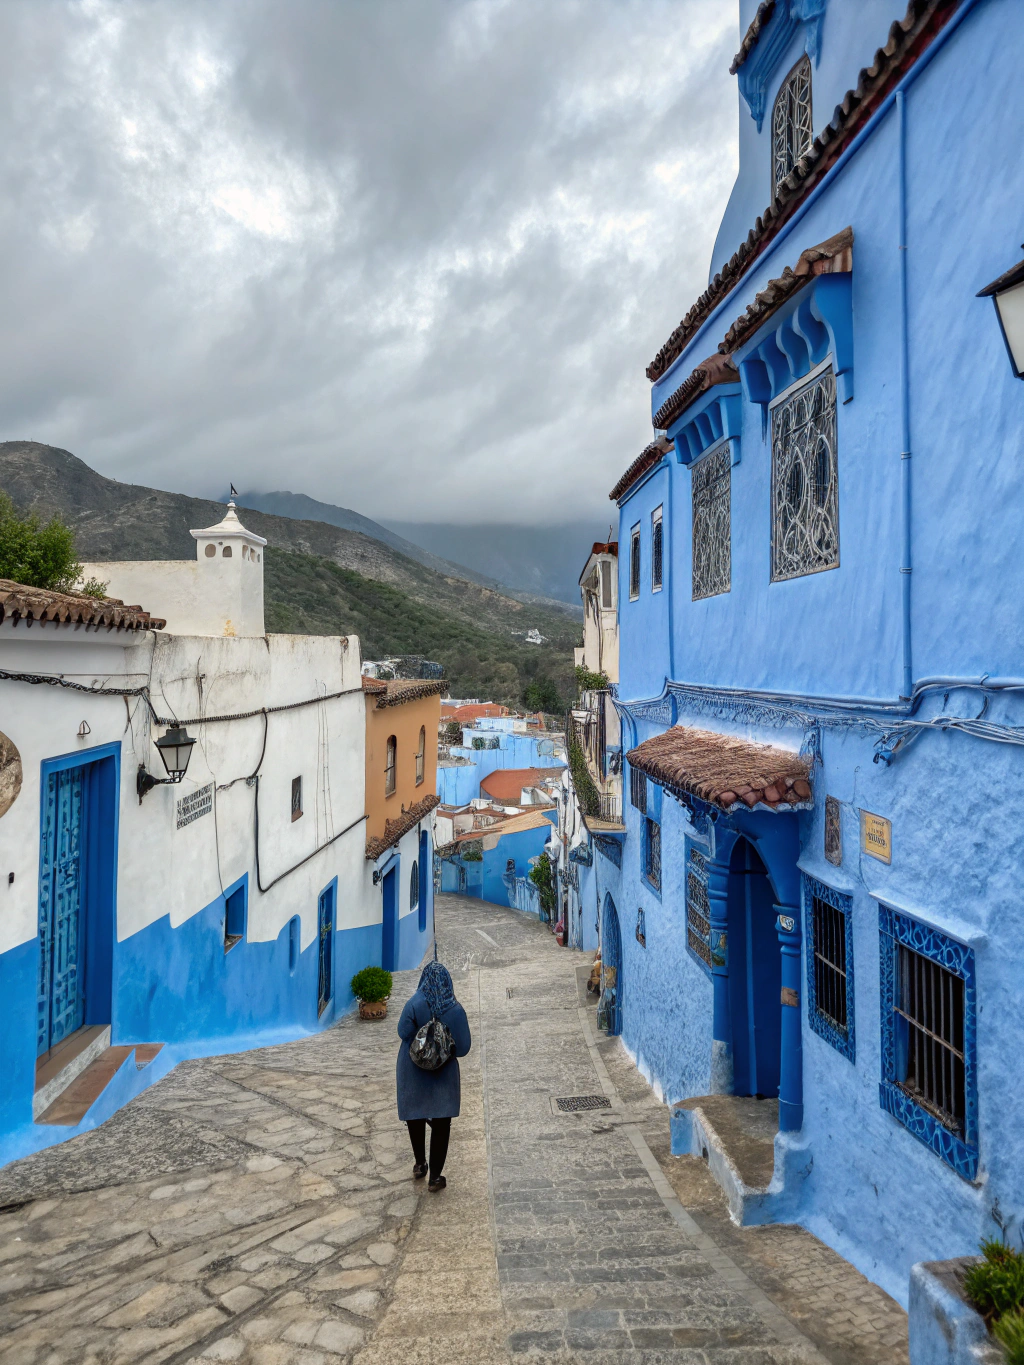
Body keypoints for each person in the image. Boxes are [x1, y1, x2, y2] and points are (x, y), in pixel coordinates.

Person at [396, 960, 472, 1193]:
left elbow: (402, 1032)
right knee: (441, 1123)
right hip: (443, 1076)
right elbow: (464, 1047)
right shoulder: (455, 1009)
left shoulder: (414, 1003)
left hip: (412, 1072)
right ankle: (435, 1177)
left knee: (415, 1117)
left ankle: (420, 1164)